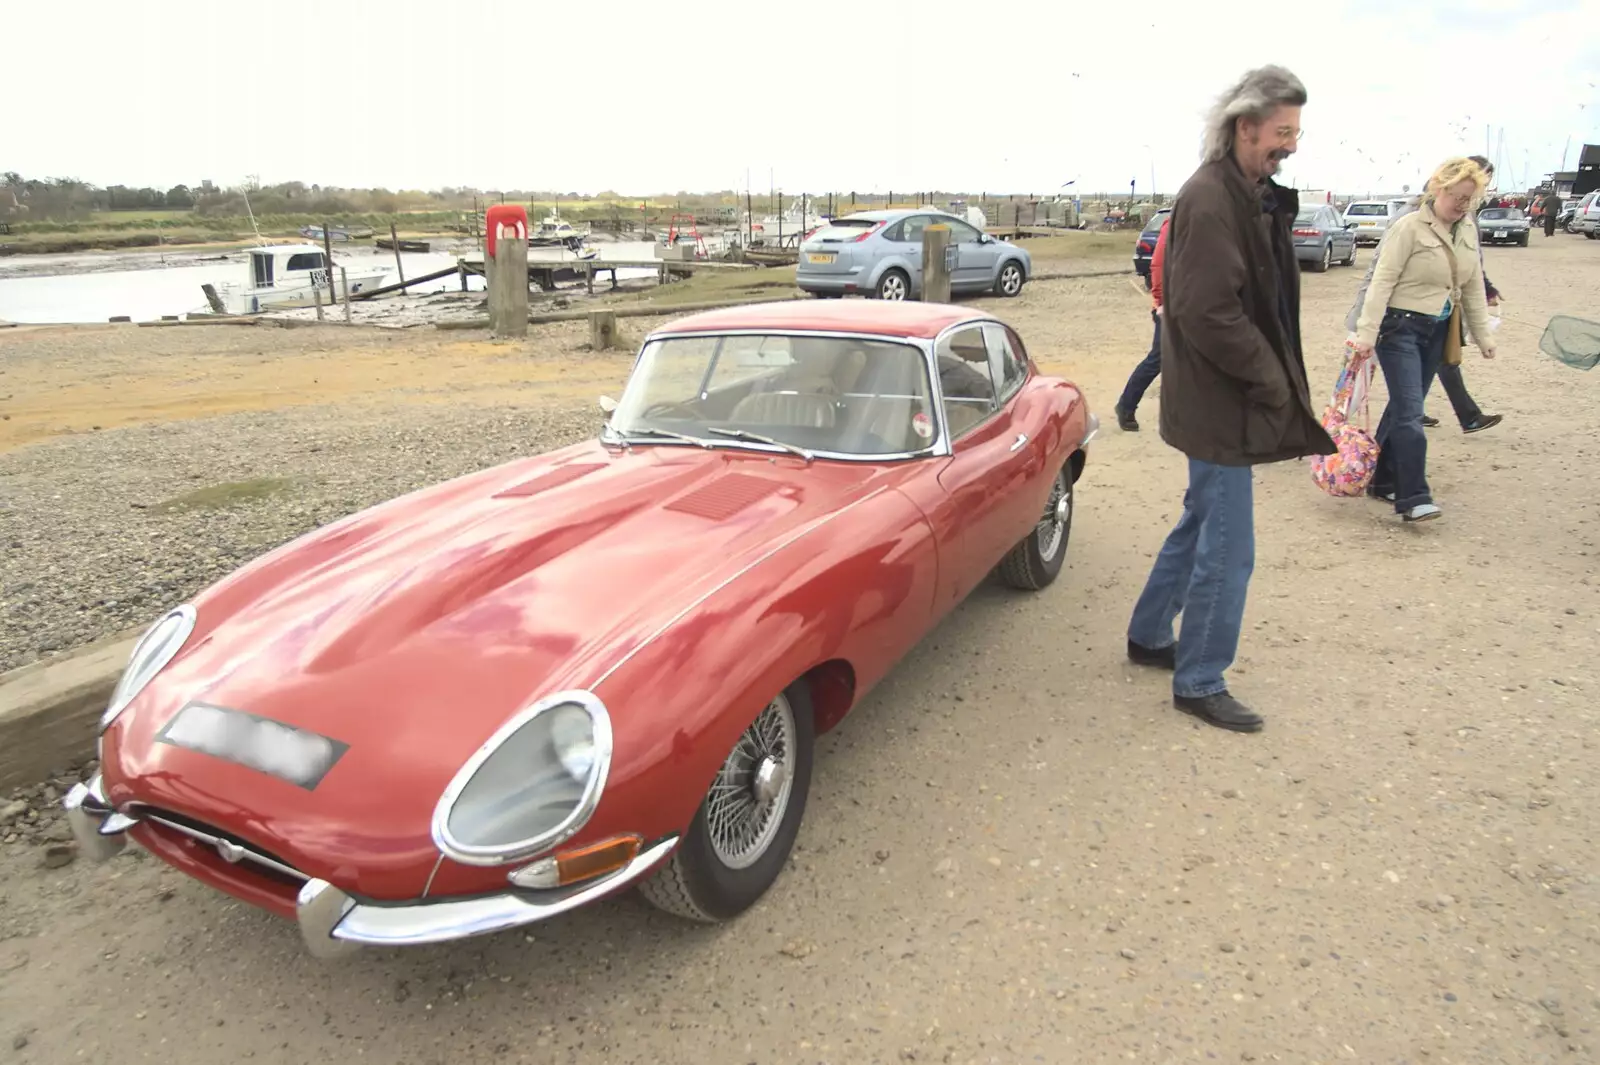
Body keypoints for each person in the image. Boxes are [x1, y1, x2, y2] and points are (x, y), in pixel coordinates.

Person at [1124, 64, 1334, 734]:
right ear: (1245, 126)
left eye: (1295, 133)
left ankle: (1150, 634)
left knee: (1199, 519)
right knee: (1228, 544)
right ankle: (1199, 677)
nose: (1291, 144)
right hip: (1221, 404)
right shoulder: (1212, 197)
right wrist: (1271, 382)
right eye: (1281, 132)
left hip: (1217, 398)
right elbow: (1207, 311)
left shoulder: (1248, 192)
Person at [1352, 157, 1498, 523]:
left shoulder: (1467, 230)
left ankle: (1382, 480)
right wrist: (1366, 333)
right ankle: (1413, 496)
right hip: (1398, 328)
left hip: (1438, 329)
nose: (1463, 205)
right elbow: (1381, 281)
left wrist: (1482, 335)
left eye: (1470, 199)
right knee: (1411, 412)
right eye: (1457, 197)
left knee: (1403, 408)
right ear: (1438, 189)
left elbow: (1472, 284)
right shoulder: (1409, 228)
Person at [1114, 214, 1170, 430]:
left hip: (1194, 306)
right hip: (1171, 308)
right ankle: (1126, 405)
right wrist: (1162, 302)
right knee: (1158, 358)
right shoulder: (1175, 224)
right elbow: (1158, 264)